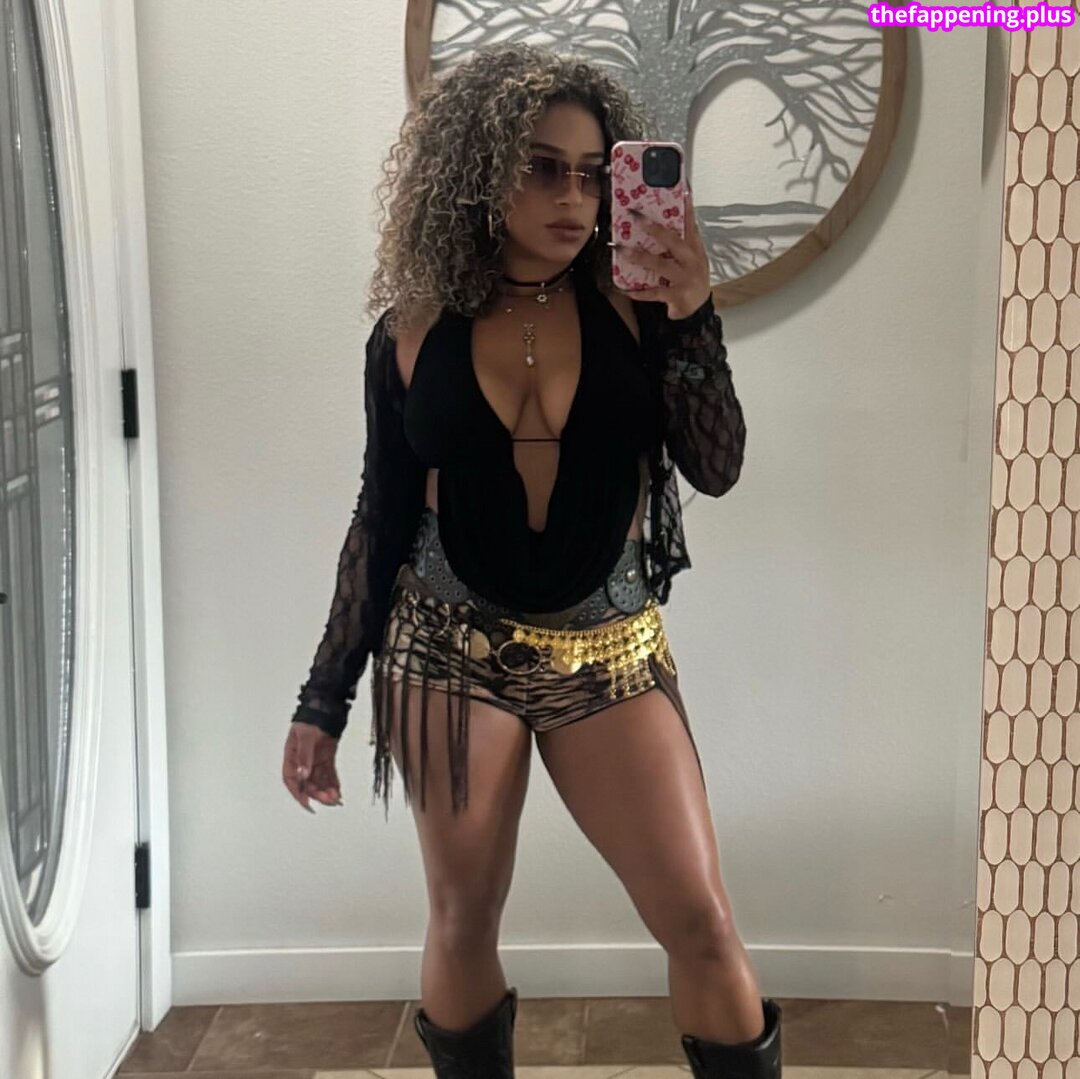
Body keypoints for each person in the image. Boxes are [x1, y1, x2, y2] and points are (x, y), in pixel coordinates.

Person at [280, 43, 781, 1079]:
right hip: (445, 648)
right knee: (462, 915)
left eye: (594, 174)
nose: (575, 198)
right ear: (478, 170)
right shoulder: (411, 330)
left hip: (610, 652)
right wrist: (323, 698)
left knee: (701, 920)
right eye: (543, 168)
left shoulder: (642, 307)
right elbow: (381, 515)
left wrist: (693, 312)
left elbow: (718, 467)